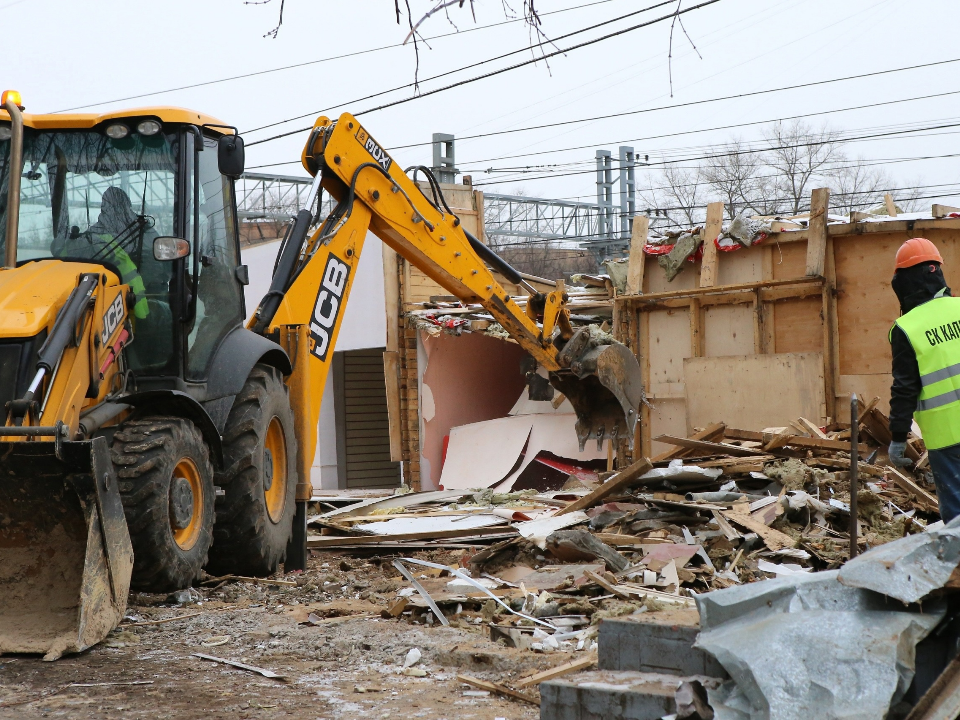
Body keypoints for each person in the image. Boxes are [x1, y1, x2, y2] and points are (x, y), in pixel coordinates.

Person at [888, 237, 960, 522]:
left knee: (956, 523)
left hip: (946, 440)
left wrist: (897, 438)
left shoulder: (907, 328)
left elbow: (905, 388)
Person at [59, 187, 150, 319]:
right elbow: (141, 279)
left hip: (73, 310)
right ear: (126, 207)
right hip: (124, 311)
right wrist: (144, 317)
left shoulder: (88, 238)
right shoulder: (137, 238)